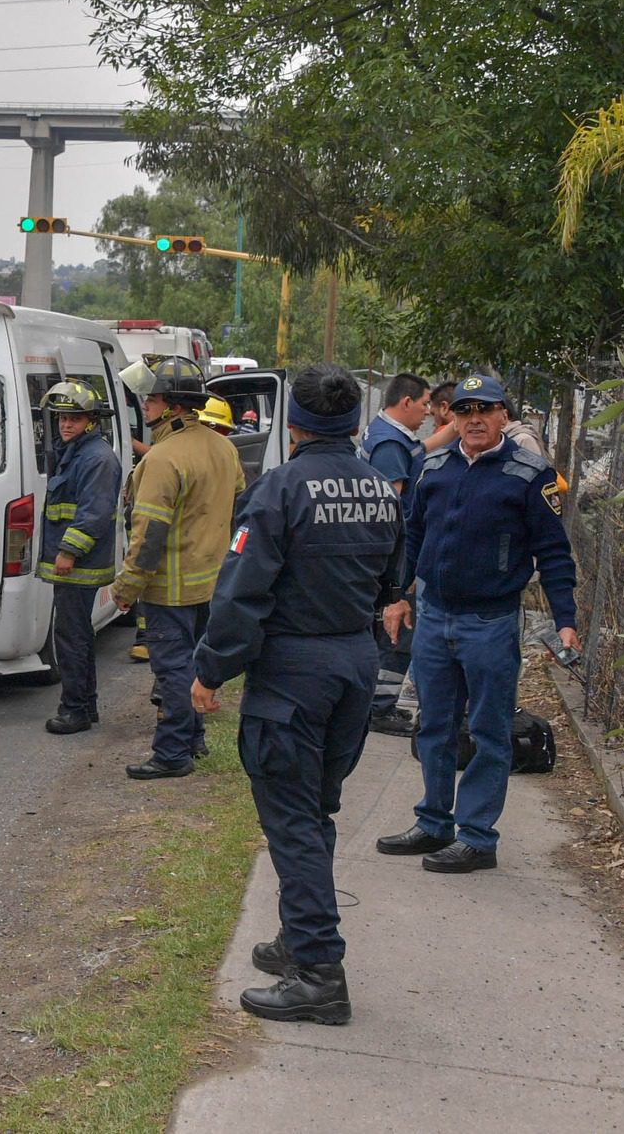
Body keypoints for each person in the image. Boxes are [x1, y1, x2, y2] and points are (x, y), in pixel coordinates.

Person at [191, 363, 404, 1024]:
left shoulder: (281, 489)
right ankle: (297, 938)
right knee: (314, 812)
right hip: (354, 661)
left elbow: (242, 590)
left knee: (292, 820)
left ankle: (318, 972)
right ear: (353, 422)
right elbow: (396, 575)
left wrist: (210, 668)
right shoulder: (381, 489)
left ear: (294, 425)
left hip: (294, 672)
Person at [376, 373, 578, 872]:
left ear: (503, 416)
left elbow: (553, 553)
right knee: (434, 726)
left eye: (485, 410)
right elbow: (414, 539)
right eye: (464, 411)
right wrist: (398, 597)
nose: (475, 420)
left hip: (489, 621)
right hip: (435, 616)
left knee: (489, 731)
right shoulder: (435, 467)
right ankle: (433, 823)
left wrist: (566, 619)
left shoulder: (531, 476)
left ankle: (478, 838)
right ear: (453, 417)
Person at [113, 354, 242, 779]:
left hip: (170, 588)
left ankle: (172, 754)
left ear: (172, 406)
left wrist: (127, 587)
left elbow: (148, 535)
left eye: (150, 400)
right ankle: (194, 739)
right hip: (213, 582)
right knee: (195, 666)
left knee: (172, 670)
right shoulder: (224, 446)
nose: (144, 406)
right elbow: (235, 501)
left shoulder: (163, 459)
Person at [37, 381, 123, 735]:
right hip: (76, 563)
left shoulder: (96, 458)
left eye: (74, 418)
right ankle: (85, 705)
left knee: (71, 637)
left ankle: (74, 711)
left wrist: (69, 551)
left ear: (91, 421)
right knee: (79, 634)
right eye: (61, 418)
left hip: (79, 564)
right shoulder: (77, 452)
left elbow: (93, 513)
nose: (66, 424)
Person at [360, 373, 430, 736]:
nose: (427, 412)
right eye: (424, 405)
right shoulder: (390, 445)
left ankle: (377, 703)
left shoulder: (387, 434)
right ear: (406, 402)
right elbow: (391, 509)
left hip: (388, 555)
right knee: (398, 633)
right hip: (396, 555)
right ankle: (379, 707)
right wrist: (399, 573)